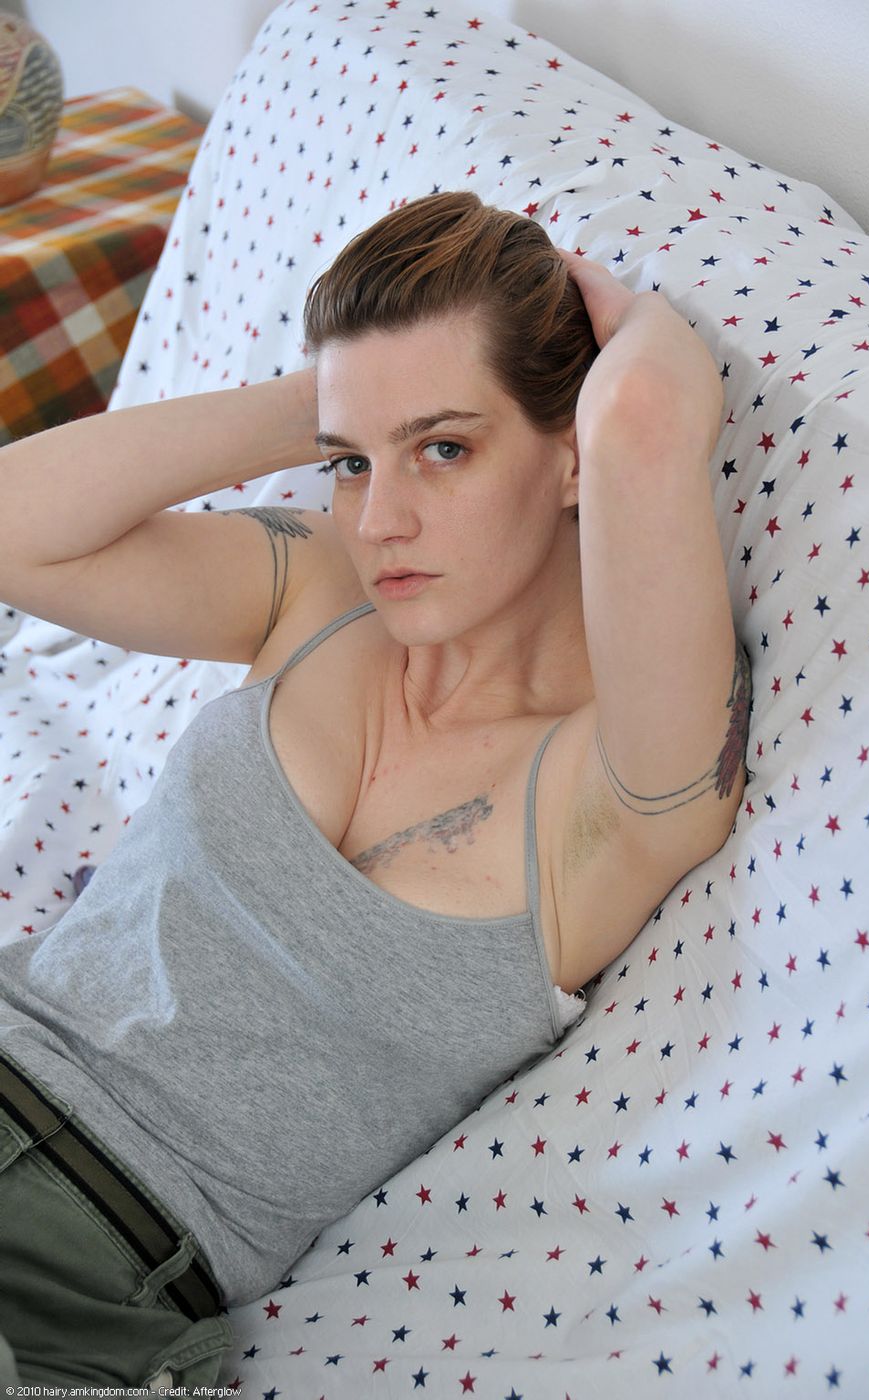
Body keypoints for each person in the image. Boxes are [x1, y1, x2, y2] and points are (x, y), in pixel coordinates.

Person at [0, 191, 751, 1389]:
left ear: (572, 455)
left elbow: (649, 420)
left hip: (102, 1288)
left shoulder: (609, 794)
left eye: (444, 449)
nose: (382, 519)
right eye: (352, 464)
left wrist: (634, 384)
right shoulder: (317, 592)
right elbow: (15, 529)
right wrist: (337, 400)